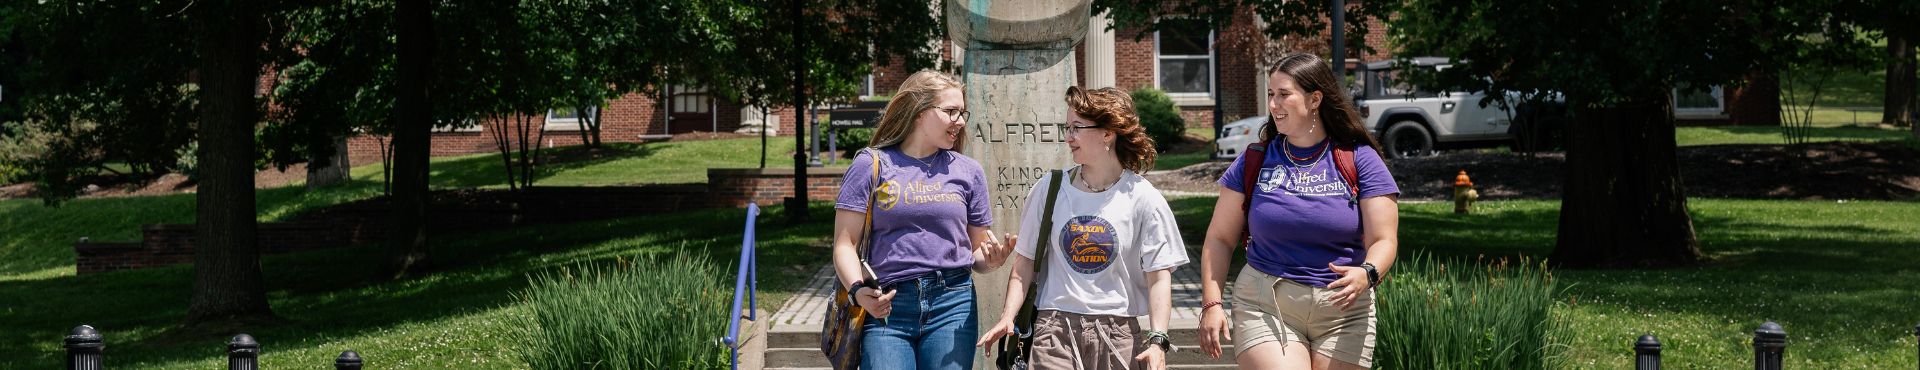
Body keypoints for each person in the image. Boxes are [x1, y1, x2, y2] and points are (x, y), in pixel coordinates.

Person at [1194, 52, 1401, 369]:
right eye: (1271, 95)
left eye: (1284, 94)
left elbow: (1384, 239)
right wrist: (1211, 302)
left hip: (1344, 310)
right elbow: (1220, 238)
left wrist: (1368, 272)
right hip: (1266, 302)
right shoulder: (1255, 160)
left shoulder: (1359, 158)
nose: (1273, 105)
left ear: (1315, 98)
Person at [977, 86, 1189, 370]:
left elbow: (1159, 276)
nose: (1068, 137)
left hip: (1119, 332)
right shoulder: (1049, 189)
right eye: (1067, 127)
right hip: (1054, 330)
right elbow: (1024, 264)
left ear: (1107, 132)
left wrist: (1157, 339)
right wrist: (1008, 316)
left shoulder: (1143, 197)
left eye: (1076, 128)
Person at [832, 70, 1014, 369]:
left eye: (962, 112)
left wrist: (991, 260)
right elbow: (844, 245)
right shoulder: (871, 164)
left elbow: (976, 251)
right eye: (950, 111)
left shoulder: (968, 171)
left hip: (953, 303)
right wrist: (857, 291)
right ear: (918, 113)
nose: (961, 121)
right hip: (888, 305)